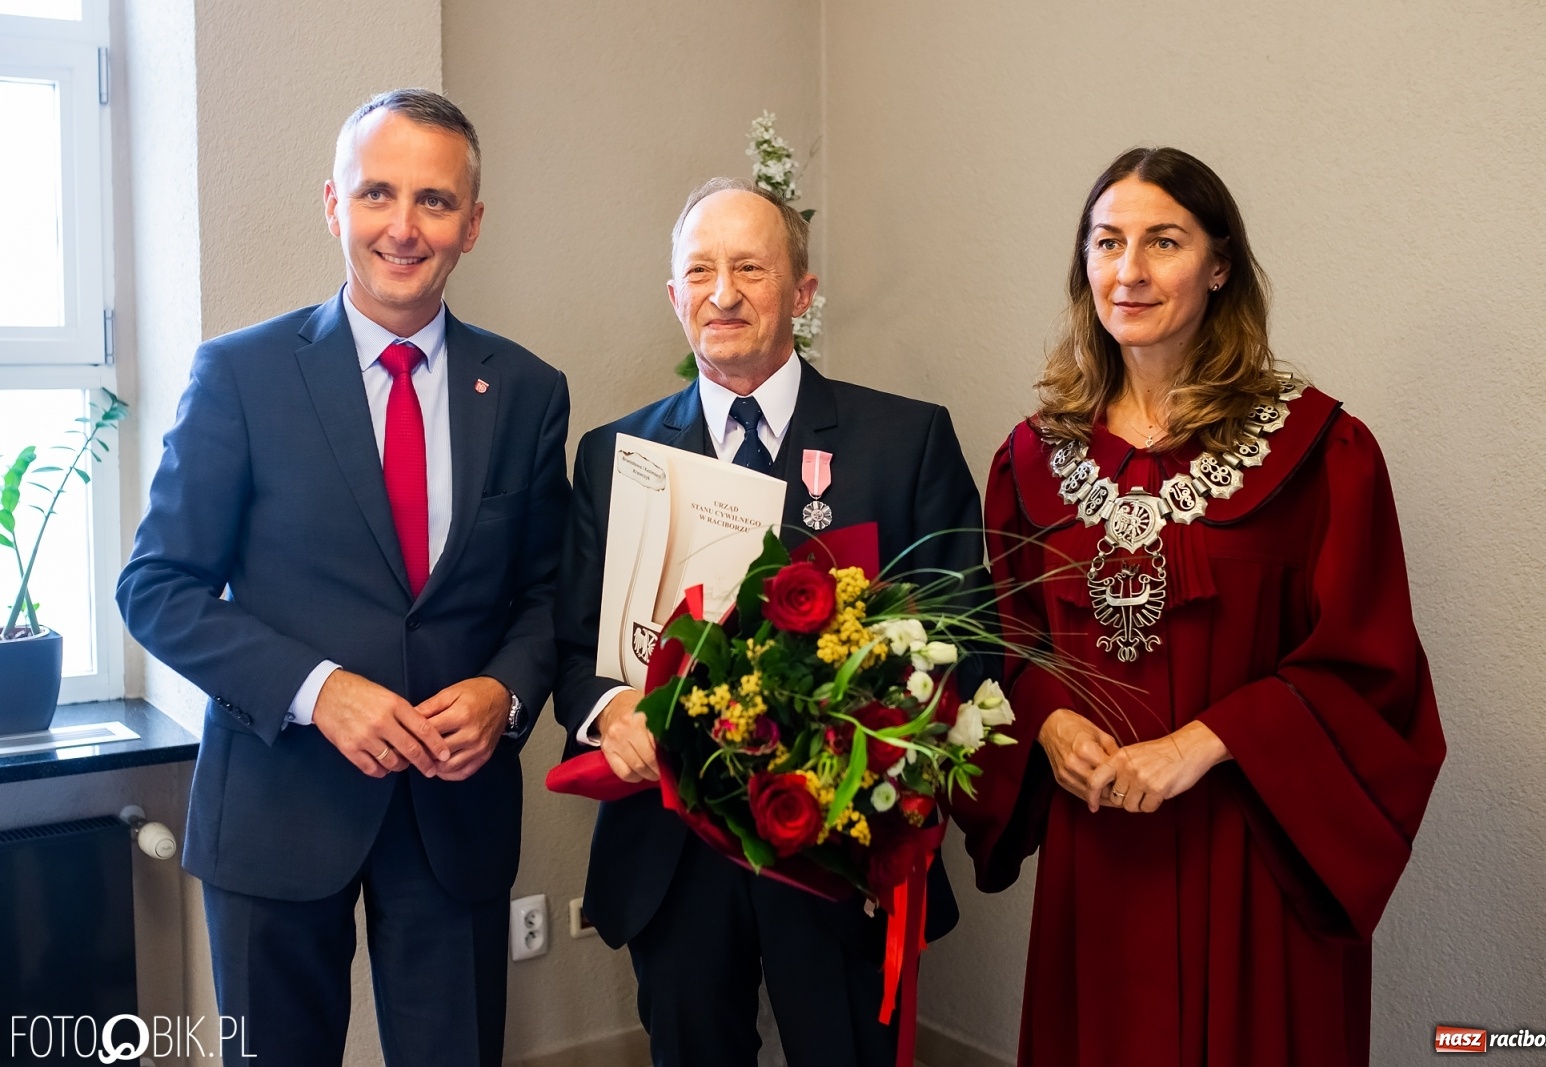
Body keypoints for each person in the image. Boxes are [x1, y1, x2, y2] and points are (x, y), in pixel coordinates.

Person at [952, 147, 1446, 1067]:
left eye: (1162, 241)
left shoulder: (1324, 453)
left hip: (1256, 849)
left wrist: (1206, 742)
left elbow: (1370, 667)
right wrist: (1047, 723)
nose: (1128, 270)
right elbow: (1001, 653)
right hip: (1096, 853)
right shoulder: (1028, 460)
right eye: (1107, 243)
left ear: (1220, 266)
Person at [117, 89, 570, 1067]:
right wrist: (320, 691)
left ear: (473, 224)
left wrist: (504, 690)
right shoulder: (239, 375)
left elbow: (544, 592)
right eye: (377, 194)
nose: (402, 227)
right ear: (334, 205)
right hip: (276, 807)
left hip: (455, 816)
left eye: (434, 201)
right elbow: (158, 587)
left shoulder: (527, 391)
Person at [553, 177, 982, 1067]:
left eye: (750, 267)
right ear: (674, 297)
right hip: (671, 848)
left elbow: (964, 638)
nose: (722, 293)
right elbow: (572, 640)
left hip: (836, 847)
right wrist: (610, 710)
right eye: (700, 271)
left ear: (803, 291)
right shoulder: (613, 457)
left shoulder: (904, 442)